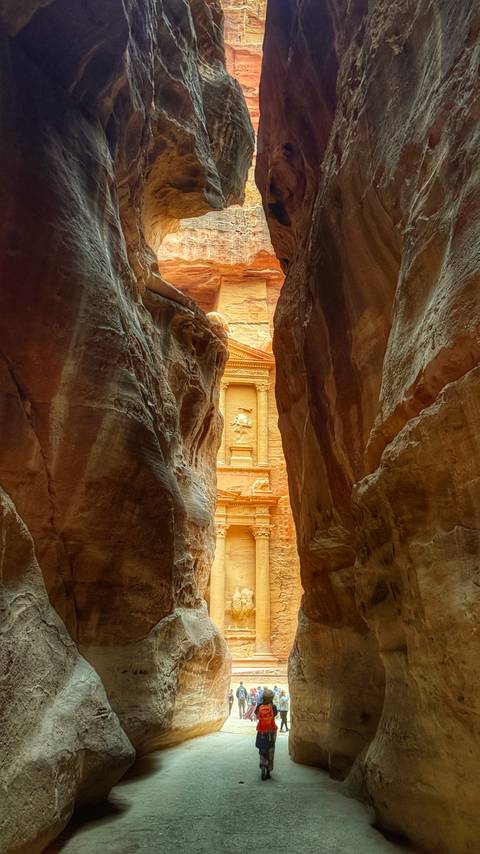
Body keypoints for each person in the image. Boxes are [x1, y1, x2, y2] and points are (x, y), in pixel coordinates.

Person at [255, 688, 278, 780]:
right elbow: (275, 715)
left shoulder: (259, 706)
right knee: (271, 749)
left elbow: (257, 715)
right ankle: (268, 770)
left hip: (261, 731)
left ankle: (262, 765)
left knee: (262, 748)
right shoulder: (273, 707)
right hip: (271, 731)